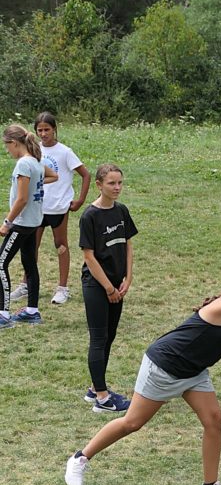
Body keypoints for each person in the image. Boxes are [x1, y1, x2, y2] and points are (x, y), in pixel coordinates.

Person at [65, 264, 221, 485]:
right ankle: (80, 458)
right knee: (132, 423)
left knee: (214, 421)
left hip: (193, 372)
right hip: (164, 367)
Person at [10, 112, 91, 305]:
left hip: (58, 207)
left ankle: (62, 288)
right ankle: (26, 284)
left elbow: (86, 175)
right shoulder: (34, 150)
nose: (44, 134)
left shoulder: (65, 152)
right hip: (38, 207)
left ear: (54, 129)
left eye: (47, 129)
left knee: (60, 245)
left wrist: (80, 200)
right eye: (40, 130)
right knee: (31, 246)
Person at [79, 164, 137, 413]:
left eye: (120, 182)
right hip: (97, 285)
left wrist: (128, 278)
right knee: (99, 337)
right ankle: (102, 400)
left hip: (117, 284)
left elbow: (128, 245)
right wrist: (108, 288)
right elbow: (89, 257)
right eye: (111, 183)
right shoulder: (89, 216)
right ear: (99, 185)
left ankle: (95, 387)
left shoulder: (121, 210)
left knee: (110, 335)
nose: (117, 187)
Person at [1, 124, 57, 328]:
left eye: (7, 146)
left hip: (21, 223)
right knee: (30, 264)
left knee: (0, 264)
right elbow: (54, 176)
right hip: (34, 222)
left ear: (14, 143)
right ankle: (32, 311)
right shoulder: (36, 162)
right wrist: (36, 184)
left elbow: (22, 199)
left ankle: (3, 314)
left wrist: (7, 222)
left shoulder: (24, 164)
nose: (7, 150)